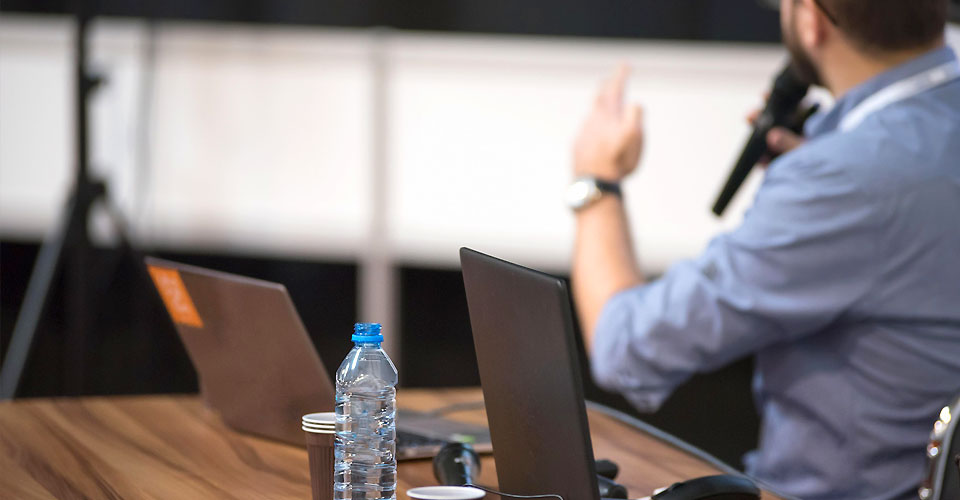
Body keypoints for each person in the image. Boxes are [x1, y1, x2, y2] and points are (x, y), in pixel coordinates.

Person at [568, 1, 960, 499]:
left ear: (811, 20)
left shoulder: (841, 178)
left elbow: (626, 346)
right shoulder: (868, 161)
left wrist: (597, 181)